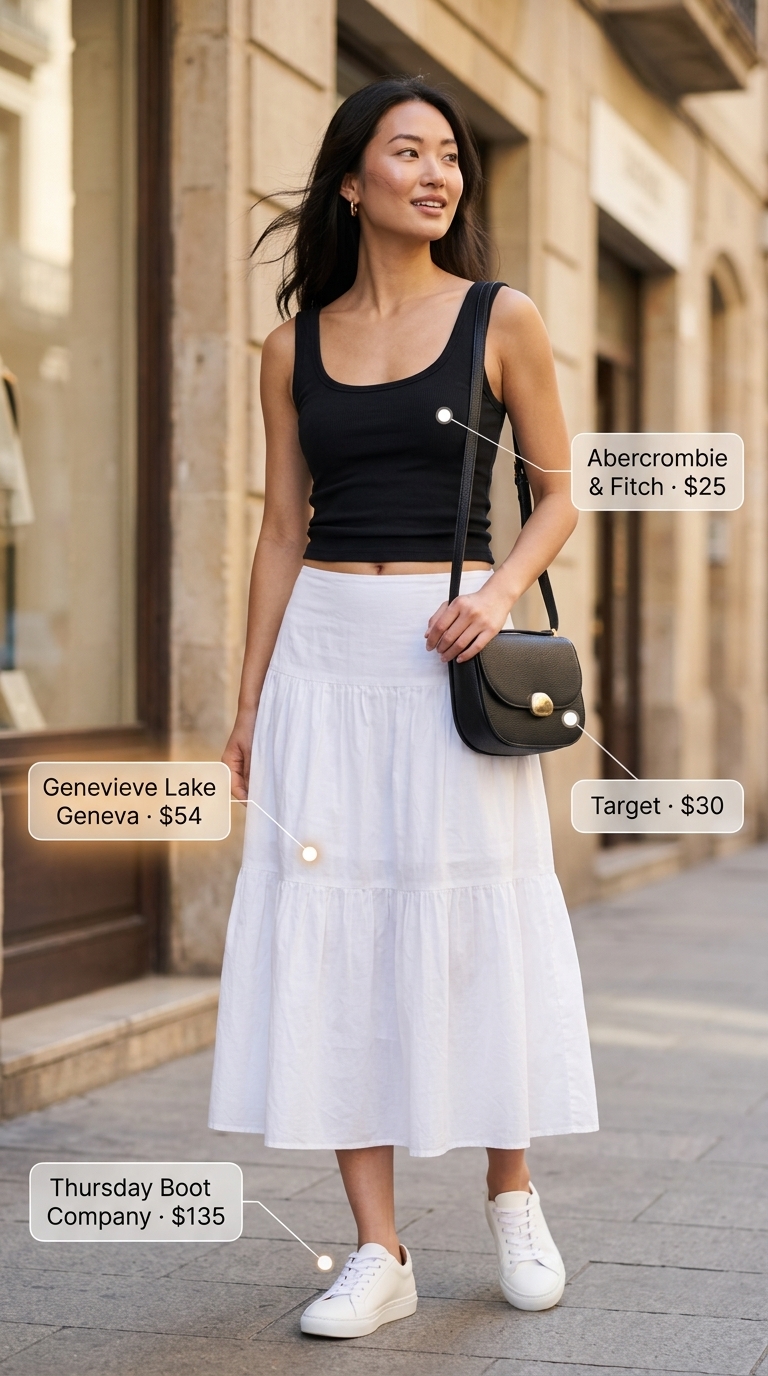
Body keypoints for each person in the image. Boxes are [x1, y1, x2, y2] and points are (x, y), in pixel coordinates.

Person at [209, 75, 598, 1340]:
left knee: (478, 917)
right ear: (350, 180)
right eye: (408, 152)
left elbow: (559, 490)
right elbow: (280, 528)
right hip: (325, 655)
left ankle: (513, 1193)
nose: (437, 175)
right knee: (339, 934)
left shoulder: (501, 316)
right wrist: (248, 703)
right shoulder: (291, 348)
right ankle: (379, 1248)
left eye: (450, 157)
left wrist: (499, 593)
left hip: (448, 650)